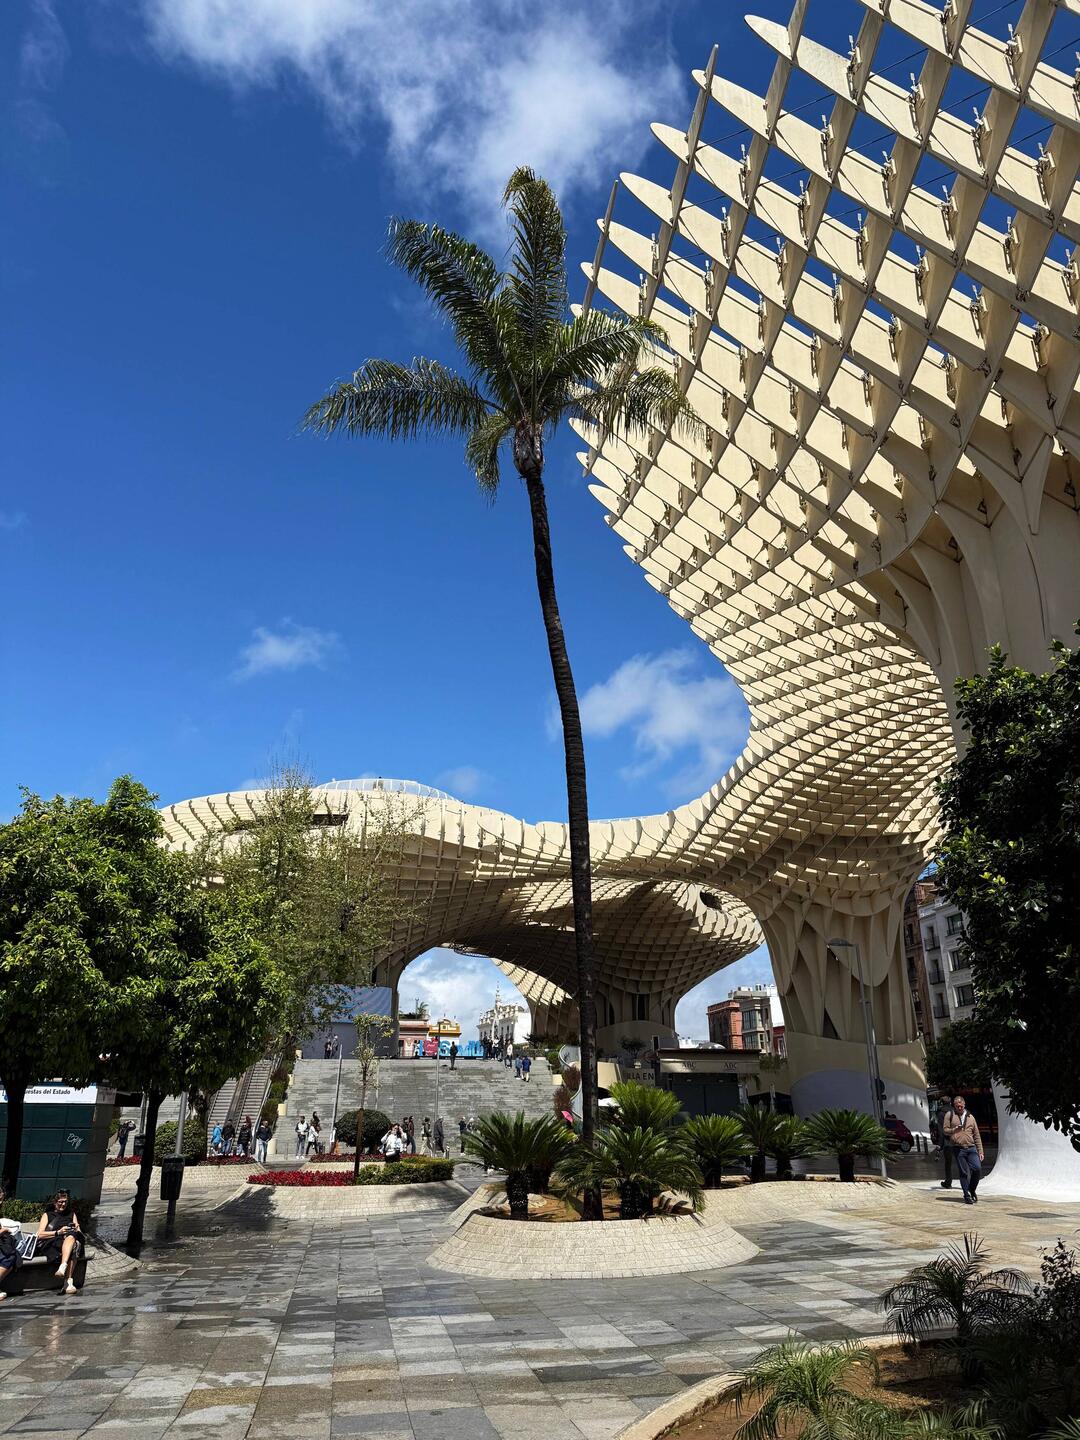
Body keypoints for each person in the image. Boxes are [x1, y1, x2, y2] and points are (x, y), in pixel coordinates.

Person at [37, 1190, 83, 1296]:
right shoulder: (47, 1215)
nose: (63, 1204)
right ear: (55, 1202)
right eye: (60, 1202)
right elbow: (40, 1234)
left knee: (73, 1239)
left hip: (69, 1240)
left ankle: (63, 1267)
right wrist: (58, 1232)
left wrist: (77, 1229)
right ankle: (68, 1281)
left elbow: (79, 1231)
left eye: (65, 1202)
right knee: (74, 1245)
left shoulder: (71, 1214)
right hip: (53, 1241)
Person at [944, 1095, 984, 1204]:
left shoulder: (971, 1117)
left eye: (961, 1106)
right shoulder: (950, 1115)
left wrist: (980, 1151)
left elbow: (976, 1135)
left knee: (977, 1169)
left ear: (964, 1105)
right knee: (964, 1172)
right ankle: (966, 1195)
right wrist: (954, 1130)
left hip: (971, 1148)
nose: (959, 1108)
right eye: (957, 1107)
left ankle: (972, 1189)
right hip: (958, 1148)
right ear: (954, 1106)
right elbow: (945, 1130)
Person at [933, 1096, 954, 1189]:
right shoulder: (956, 1111)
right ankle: (966, 1181)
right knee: (962, 1161)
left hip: (947, 1142)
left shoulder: (941, 1113)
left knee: (948, 1163)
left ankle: (948, 1182)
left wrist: (939, 1146)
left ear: (941, 1103)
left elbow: (941, 1131)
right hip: (958, 1140)